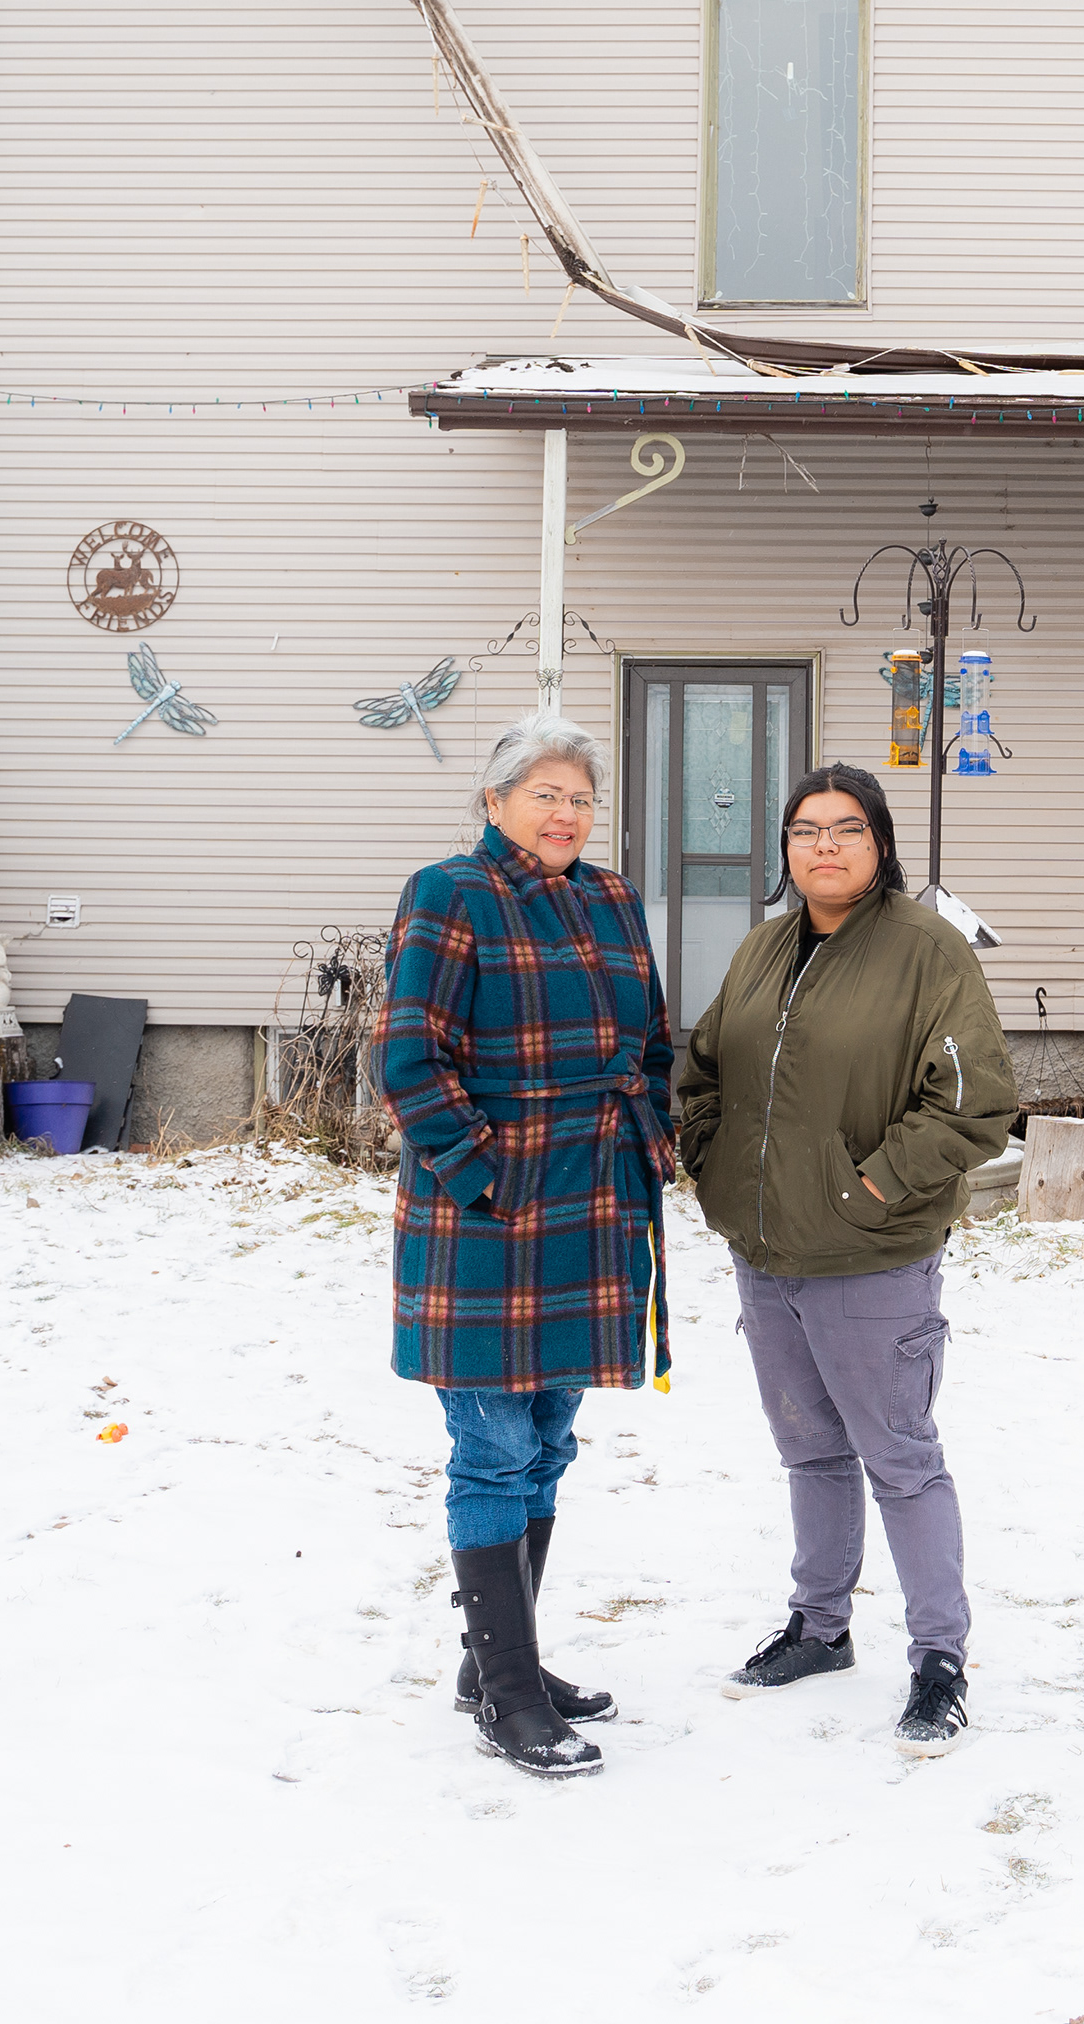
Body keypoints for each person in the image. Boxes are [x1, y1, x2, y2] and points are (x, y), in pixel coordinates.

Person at [675, 763, 1016, 1757]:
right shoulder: (764, 948)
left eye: (846, 828)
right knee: (808, 1451)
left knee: (900, 1459)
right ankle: (820, 1627)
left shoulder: (927, 952)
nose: (824, 846)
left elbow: (974, 1102)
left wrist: (871, 1185)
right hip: (765, 1252)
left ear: (881, 844)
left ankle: (940, 1660)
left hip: (870, 1258)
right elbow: (704, 1068)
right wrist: (710, 1160)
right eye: (805, 830)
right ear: (786, 849)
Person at [376, 716, 675, 1782]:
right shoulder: (450, 892)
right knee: (493, 1448)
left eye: (581, 798)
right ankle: (507, 1694)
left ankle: (497, 1663)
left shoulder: (612, 899)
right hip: (490, 1216)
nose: (566, 814)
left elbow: (651, 1042)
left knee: (548, 1438)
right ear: (495, 802)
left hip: (594, 1203)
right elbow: (409, 1056)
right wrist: (481, 1173)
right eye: (545, 793)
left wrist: (652, 1131)